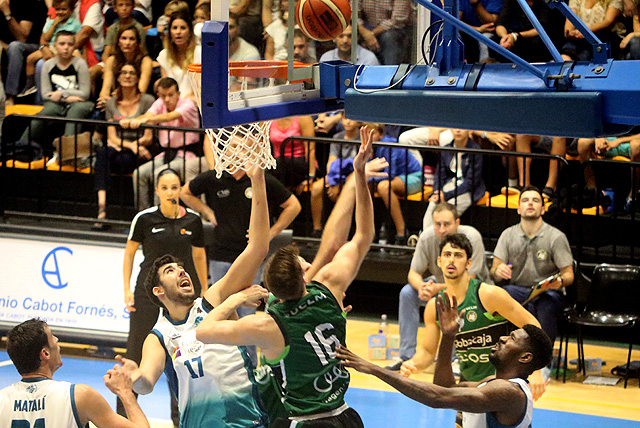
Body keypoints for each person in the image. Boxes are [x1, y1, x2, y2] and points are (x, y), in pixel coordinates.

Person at [194, 128, 378, 426]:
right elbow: (363, 236)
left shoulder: (267, 324)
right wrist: (359, 176)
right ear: (304, 277)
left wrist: (237, 298)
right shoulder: (329, 289)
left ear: (271, 291)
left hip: (308, 419)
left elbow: (203, 331)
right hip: (345, 415)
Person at [117, 164, 271, 428]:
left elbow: (257, 248)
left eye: (180, 267)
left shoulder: (213, 300)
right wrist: (132, 379)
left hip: (251, 423)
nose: (181, 271)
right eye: (170, 271)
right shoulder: (159, 337)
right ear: (159, 291)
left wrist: (258, 182)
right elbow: (146, 383)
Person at [337, 297, 553, 428]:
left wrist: (375, 369)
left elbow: (438, 397)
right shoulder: (493, 382)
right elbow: (444, 386)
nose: (503, 338)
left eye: (512, 338)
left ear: (525, 358)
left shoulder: (509, 393)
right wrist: (448, 336)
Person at [400, 234, 548, 401]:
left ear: (468, 263)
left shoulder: (488, 294)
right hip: (468, 383)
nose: (452, 260)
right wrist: (413, 364)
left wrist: (536, 370)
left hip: (502, 382)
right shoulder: (435, 307)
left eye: (458, 255)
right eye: (447, 255)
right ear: (439, 261)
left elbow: (532, 324)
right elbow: (428, 352)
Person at [120, 168, 207, 422]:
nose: (170, 192)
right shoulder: (144, 219)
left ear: (180, 190)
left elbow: (199, 255)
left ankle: (180, 419)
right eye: (165, 187)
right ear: (157, 190)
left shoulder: (193, 220)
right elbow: (128, 254)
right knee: (135, 352)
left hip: (180, 298)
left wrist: (203, 288)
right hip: (147, 295)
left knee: (181, 355)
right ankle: (122, 419)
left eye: (175, 187)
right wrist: (126, 289)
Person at [388, 203, 490, 370]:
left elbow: (468, 278)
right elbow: (413, 273)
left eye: (447, 224)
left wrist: (438, 289)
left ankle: (457, 359)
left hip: (474, 286)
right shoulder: (427, 237)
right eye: (437, 224)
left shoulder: (472, 237)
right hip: (441, 283)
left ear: (457, 223)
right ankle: (406, 356)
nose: (442, 229)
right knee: (407, 292)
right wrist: (422, 287)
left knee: (456, 297)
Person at [0, 318, 151, 428]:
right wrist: (125, 391)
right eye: (52, 336)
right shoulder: (80, 395)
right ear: (45, 353)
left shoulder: (2, 400)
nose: (57, 339)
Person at [491, 185, 574, 344]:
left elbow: (569, 274)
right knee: (497, 297)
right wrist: (498, 271)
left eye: (535, 201)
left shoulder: (556, 237)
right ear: (518, 209)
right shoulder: (507, 235)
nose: (530, 204)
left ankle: (544, 360)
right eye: (525, 200)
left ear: (543, 209)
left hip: (548, 292)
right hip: (519, 289)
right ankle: (498, 352)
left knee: (545, 306)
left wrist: (560, 281)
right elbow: (493, 270)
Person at [122, 77, 207, 209]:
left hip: (186, 155)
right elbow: (149, 114)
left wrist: (142, 120)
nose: (167, 99)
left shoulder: (188, 104)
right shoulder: (159, 103)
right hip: (165, 155)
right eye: (163, 96)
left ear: (178, 94)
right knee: (139, 173)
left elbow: (169, 116)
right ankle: (143, 214)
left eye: (170, 95)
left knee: (160, 174)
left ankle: (161, 216)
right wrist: (133, 120)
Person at [14, 31, 93, 163]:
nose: (66, 47)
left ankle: (67, 154)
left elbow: (85, 93)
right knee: (45, 112)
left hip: (80, 103)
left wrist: (62, 93)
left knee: (75, 111)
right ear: (55, 46)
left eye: (70, 44)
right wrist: (67, 97)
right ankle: (20, 148)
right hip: (56, 103)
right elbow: (45, 94)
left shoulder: (80, 64)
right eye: (62, 44)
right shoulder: (48, 65)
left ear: (74, 47)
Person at [93, 62, 155, 227]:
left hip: (140, 154)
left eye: (132, 73)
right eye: (124, 73)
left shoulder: (147, 101)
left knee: (111, 155)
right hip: (125, 149)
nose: (127, 76)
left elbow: (148, 137)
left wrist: (134, 146)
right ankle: (102, 209)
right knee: (102, 153)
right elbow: (112, 137)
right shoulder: (112, 103)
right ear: (118, 78)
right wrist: (133, 145)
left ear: (137, 78)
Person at [367, 122, 422, 246]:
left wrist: (369, 178)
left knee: (384, 187)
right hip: (391, 179)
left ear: (381, 134)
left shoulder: (389, 144)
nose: (368, 137)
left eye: (372, 133)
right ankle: (371, 232)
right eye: (366, 133)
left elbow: (389, 174)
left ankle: (401, 233)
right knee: (365, 187)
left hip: (414, 177)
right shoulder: (367, 146)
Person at [14, 0, 80, 102]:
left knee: (45, 63)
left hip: (63, 48)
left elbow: (75, 40)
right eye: (57, 9)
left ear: (71, 10)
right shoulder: (52, 22)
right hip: (50, 47)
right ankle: (30, 85)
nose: (60, 12)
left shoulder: (75, 23)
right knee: (30, 58)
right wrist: (54, 24)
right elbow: (45, 38)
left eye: (64, 9)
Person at [423, 128, 486, 230]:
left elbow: (471, 182)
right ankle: (424, 237)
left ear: (469, 131)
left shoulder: (475, 150)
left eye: (462, 128)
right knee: (433, 203)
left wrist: (446, 195)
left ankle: (433, 238)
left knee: (446, 212)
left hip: (468, 191)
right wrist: (437, 192)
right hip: (450, 185)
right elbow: (439, 175)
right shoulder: (446, 149)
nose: (458, 131)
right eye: (455, 127)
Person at [310, 113, 362, 235]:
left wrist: (339, 183)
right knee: (316, 188)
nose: (348, 121)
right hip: (337, 174)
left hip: (355, 176)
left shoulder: (361, 138)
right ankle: (317, 228)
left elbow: (359, 167)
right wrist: (333, 181)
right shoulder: (337, 137)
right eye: (345, 118)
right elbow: (331, 163)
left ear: (359, 122)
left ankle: (346, 231)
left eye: (351, 118)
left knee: (346, 190)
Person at [97, 24, 153, 110]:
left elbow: (141, 90)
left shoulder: (145, 61)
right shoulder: (111, 60)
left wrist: (119, 98)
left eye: (132, 39)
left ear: (137, 43)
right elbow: (105, 88)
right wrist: (105, 99)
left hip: (137, 101)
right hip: (114, 100)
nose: (127, 43)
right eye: (124, 38)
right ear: (118, 42)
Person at [2, 0, 47, 104]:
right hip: (8, 47)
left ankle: (10, 96)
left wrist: (7, 13)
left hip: (35, 46)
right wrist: (4, 47)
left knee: (15, 47)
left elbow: (21, 37)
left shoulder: (28, 3)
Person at [157, 10, 200, 98]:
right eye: (175, 28)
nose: (178, 32)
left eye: (183, 28)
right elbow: (166, 87)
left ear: (190, 32)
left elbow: (199, 88)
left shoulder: (200, 52)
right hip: (171, 101)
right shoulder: (163, 55)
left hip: (193, 101)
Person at [357, 0, 413, 65]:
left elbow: (397, 19)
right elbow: (353, 15)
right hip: (366, 27)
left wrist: (370, 35)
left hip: (394, 29)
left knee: (389, 37)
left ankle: (390, 72)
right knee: (350, 34)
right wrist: (365, 32)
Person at [270, 116, 317, 191]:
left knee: (280, 163)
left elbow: (310, 149)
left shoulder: (303, 118)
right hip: (279, 166)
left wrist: (311, 176)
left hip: (300, 162)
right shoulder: (269, 119)